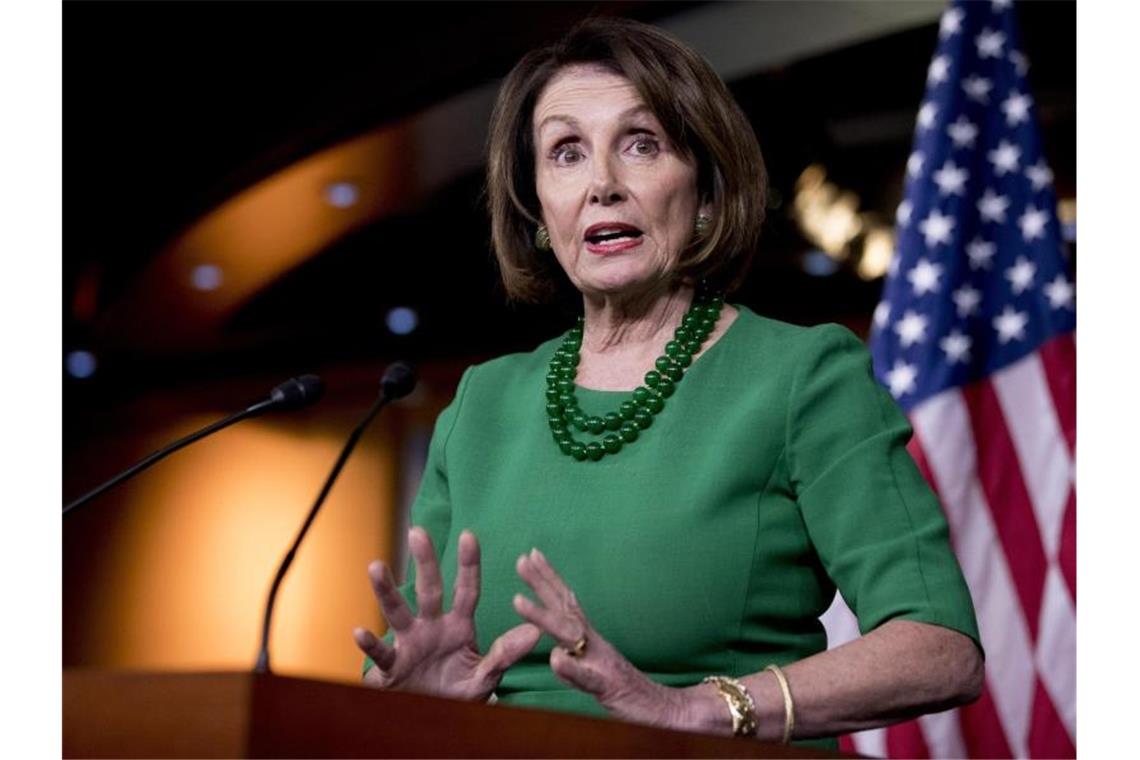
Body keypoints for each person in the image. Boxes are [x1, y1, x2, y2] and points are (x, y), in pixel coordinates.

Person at [352, 17, 982, 748]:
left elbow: (941, 649)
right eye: (566, 153)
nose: (603, 185)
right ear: (536, 210)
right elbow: (402, 671)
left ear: (707, 190)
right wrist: (415, 704)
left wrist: (696, 710)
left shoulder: (802, 377)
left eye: (641, 144)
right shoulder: (481, 405)